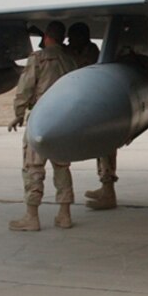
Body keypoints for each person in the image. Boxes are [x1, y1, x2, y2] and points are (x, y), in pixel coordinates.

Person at [7, 20, 78, 231]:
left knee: (34, 167)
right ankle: (64, 215)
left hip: (41, 117)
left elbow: (25, 88)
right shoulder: (70, 59)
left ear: (46, 36)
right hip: (64, 120)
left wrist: (18, 114)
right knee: (62, 167)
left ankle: (32, 216)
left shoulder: (38, 58)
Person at [64, 22, 119, 211]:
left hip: (97, 109)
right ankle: (106, 189)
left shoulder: (91, 54)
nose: (70, 42)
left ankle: (108, 192)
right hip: (91, 107)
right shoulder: (85, 50)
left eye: (73, 38)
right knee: (102, 153)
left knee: (104, 152)